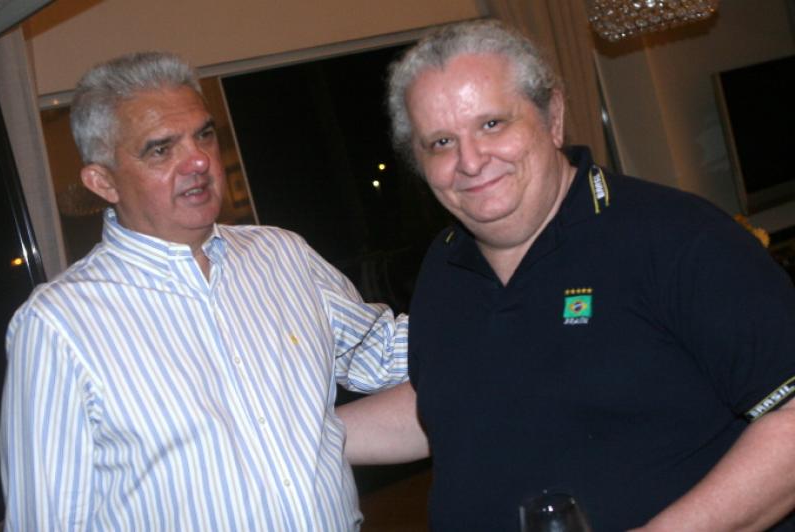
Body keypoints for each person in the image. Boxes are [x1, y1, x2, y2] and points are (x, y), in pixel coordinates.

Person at [339, 19, 795, 531]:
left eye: (492, 124)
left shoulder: (677, 238)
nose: (470, 161)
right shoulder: (443, 269)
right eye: (441, 142)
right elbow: (453, 400)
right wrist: (299, 435)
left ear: (553, 117)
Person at [0, 51, 409, 531]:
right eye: (161, 149)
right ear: (103, 181)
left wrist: (485, 293)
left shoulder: (282, 256)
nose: (198, 160)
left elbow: (384, 353)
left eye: (204, 135)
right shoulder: (57, 324)